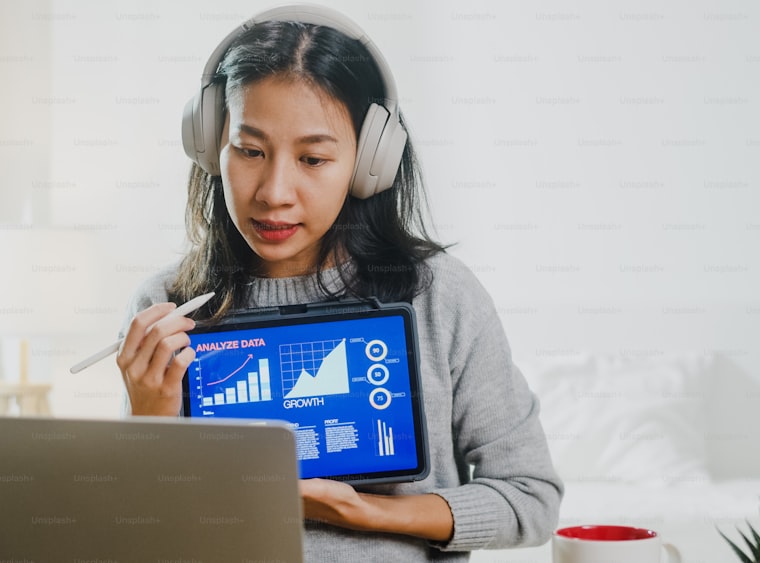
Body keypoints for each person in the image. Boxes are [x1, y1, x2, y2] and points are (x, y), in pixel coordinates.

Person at [116, 5, 563, 561]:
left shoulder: (440, 297)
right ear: (211, 145)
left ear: (368, 161)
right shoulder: (164, 308)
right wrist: (149, 423)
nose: (275, 191)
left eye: (313, 158)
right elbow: (150, 536)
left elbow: (529, 498)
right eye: (250, 151)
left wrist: (365, 511)